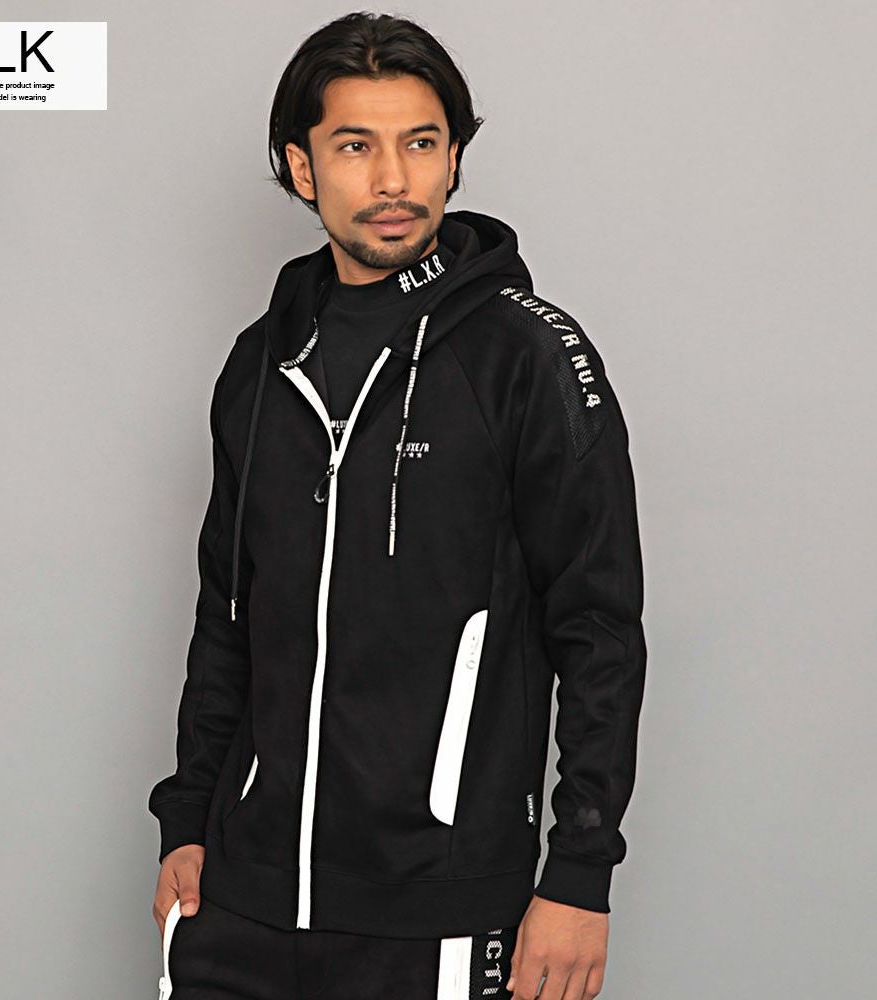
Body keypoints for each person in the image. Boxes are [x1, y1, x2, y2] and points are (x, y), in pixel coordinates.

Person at [147, 11, 647, 1000]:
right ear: (301, 168)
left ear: (453, 159)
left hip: (437, 912)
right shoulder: (261, 365)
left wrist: (579, 874)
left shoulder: (526, 356)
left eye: (420, 144)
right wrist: (189, 820)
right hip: (240, 905)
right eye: (354, 146)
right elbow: (227, 615)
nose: (392, 179)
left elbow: (598, 628)